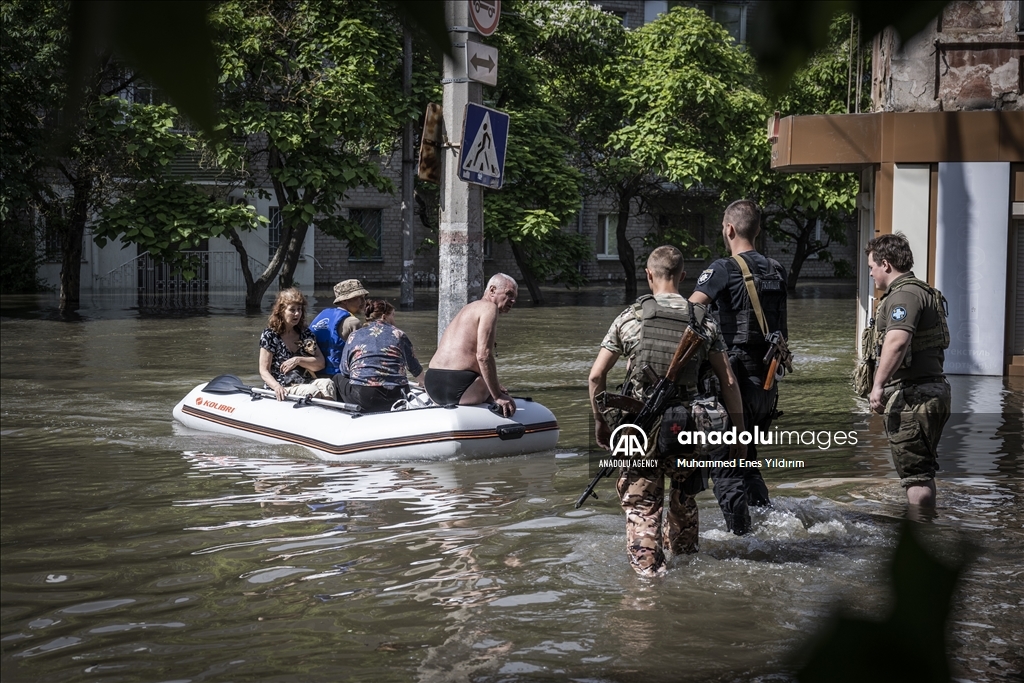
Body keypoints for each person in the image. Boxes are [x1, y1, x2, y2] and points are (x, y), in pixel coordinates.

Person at [589, 246, 747, 577]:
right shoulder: (704, 320)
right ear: (683, 276)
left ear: (649, 275)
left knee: (643, 508)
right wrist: (739, 433)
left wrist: (601, 423)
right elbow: (728, 381)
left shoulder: (630, 318)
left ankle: (648, 581)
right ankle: (687, 577)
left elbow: (596, 376)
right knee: (684, 502)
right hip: (690, 429)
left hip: (640, 432)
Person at [689, 199, 786, 536]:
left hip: (734, 382)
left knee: (727, 463)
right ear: (757, 230)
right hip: (766, 384)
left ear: (729, 229)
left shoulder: (722, 269)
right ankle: (768, 523)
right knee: (748, 459)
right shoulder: (776, 269)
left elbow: (690, 315)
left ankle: (742, 540)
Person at [865, 232, 950, 514]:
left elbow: (897, 341)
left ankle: (919, 538)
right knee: (921, 469)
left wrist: (878, 385)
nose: (872, 274)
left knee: (915, 475)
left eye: (872, 268)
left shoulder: (904, 294)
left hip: (916, 397)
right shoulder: (920, 291)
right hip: (929, 392)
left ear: (886, 264)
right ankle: (927, 527)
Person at [425, 273, 518, 417]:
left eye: (514, 297)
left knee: (493, 385)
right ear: (492, 290)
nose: (513, 300)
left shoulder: (468, 308)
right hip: (458, 386)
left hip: (432, 384)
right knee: (501, 393)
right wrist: (497, 395)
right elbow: (483, 356)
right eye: (509, 294)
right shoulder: (489, 308)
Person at [332, 299, 425, 412]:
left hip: (365, 397)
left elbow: (345, 370)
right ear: (384, 317)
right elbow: (414, 368)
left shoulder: (354, 336)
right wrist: (423, 384)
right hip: (396, 395)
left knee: (337, 378)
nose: (394, 321)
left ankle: (345, 416)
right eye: (393, 316)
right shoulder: (399, 334)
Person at [259, 288, 337, 401]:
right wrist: (277, 387)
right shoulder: (270, 335)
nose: (297, 314)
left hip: (305, 381)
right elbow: (263, 370)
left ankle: (331, 414)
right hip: (282, 385)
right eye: (292, 310)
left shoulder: (305, 333)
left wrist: (298, 360)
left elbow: (320, 363)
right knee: (311, 391)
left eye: (299, 309)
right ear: (281, 311)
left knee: (327, 384)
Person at [309, 279, 369, 378]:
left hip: (314, 373)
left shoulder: (321, 316)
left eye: (364, 297)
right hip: (337, 377)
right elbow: (361, 357)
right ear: (345, 300)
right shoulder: (353, 322)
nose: (364, 302)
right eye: (359, 298)